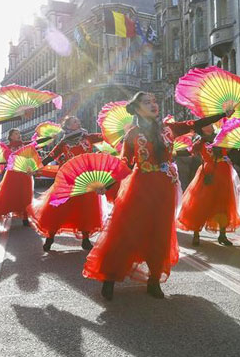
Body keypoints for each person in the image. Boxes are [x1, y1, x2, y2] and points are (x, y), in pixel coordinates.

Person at [83, 91, 231, 300]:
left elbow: (196, 124)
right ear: (137, 108)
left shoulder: (169, 129)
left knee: (159, 233)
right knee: (127, 232)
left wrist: (222, 114)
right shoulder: (133, 134)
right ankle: (110, 277)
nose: (153, 105)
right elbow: (124, 163)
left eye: (154, 101)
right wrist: (106, 185)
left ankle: (154, 280)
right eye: (147, 102)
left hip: (164, 189)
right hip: (140, 187)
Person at [29, 116, 104, 252]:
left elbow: (105, 137)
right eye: (74, 121)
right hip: (68, 179)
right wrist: (37, 167)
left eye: (78, 120)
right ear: (68, 126)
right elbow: (51, 156)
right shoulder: (64, 143)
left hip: (86, 179)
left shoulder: (88, 137)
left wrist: (120, 132)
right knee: (59, 208)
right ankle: (50, 237)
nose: (78, 121)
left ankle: (85, 240)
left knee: (86, 208)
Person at [177, 125, 240, 246]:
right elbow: (189, 151)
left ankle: (222, 235)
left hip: (223, 173)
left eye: (211, 124)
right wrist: (174, 152)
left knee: (223, 204)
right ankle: (196, 234)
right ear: (203, 128)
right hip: (208, 174)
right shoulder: (199, 141)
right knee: (200, 204)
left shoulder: (221, 137)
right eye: (207, 124)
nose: (211, 126)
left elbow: (231, 149)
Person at [0, 128, 33, 230]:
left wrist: (50, 138)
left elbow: (38, 143)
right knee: (6, 195)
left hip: (24, 174)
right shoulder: (7, 147)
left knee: (25, 195)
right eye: (16, 133)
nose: (19, 135)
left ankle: (25, 219)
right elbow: (4, 160)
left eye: (19, 133)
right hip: (12, 174)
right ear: (10, 136)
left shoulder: (25, 145)